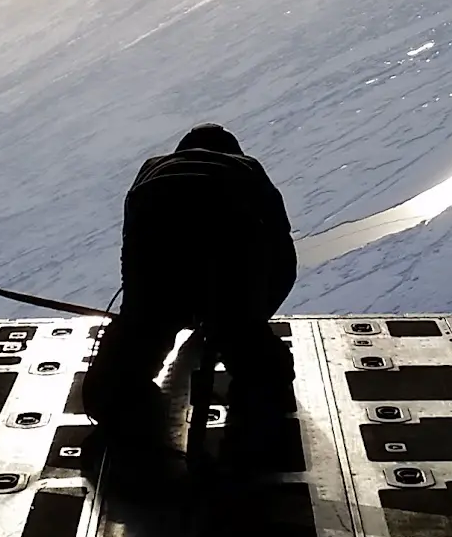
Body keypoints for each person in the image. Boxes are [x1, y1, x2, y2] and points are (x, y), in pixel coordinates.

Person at [82, 124, 296, 462]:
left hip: (156, 250)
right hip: (228, 242)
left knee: (127, 363)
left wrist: (140, 310)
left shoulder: (152, 167)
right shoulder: (247, 167)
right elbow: (282, 254)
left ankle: (115, 401)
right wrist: (250, 317)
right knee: (262, 373)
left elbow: (132, 247)